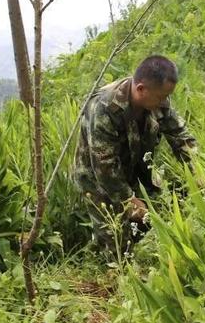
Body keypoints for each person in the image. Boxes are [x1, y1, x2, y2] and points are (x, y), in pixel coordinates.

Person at [74, 55, 197, 257]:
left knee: (159, 219)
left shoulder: (157, 98)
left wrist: (198, 171)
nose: (165, 102)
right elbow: (104, 167)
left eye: (167, 96)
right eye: (161, 97)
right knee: (118, 248)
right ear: (141, 89)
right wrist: (130, 201)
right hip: (99, 180)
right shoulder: (105, 108)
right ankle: (107, 264)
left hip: (135, 168)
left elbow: (180, 137)